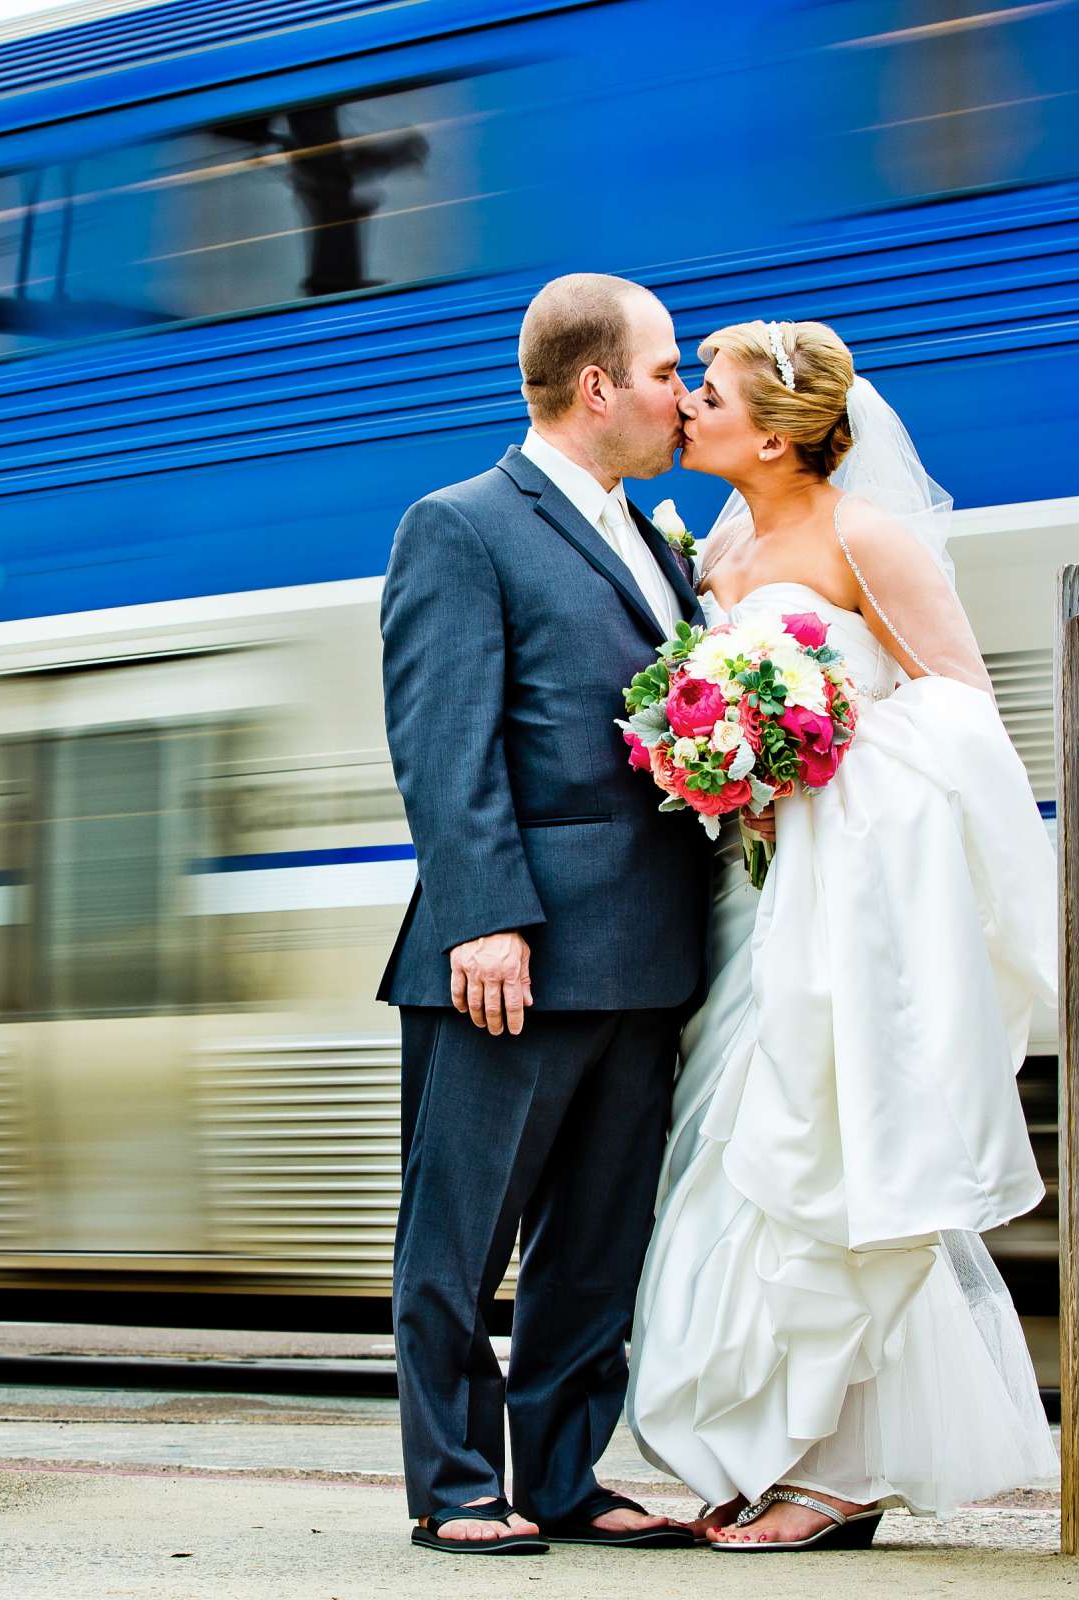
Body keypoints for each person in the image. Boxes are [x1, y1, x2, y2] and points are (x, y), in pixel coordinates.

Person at [627, 318, 1059, 1551]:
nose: (685, 407)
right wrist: (719, 761)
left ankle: (839, 1469)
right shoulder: (720, 548)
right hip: (751, 898)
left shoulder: (865, 535)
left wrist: (820, 746)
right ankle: (766, 1446)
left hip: (846, 895)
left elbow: (964, 712)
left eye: (702, 391)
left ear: (771, 431)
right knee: (731, 1151)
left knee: (832, 1155)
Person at [376, 273, 712, 1555]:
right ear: (597, 387)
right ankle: (456, 1481)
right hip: (512, 947)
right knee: (462, 1230)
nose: (680, 396)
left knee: (597, 1236)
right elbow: (442, 738)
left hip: (646, 945)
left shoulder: (657, 541)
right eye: (666, 371)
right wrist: (481, 917)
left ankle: (565, 1472)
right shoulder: (460, 526)